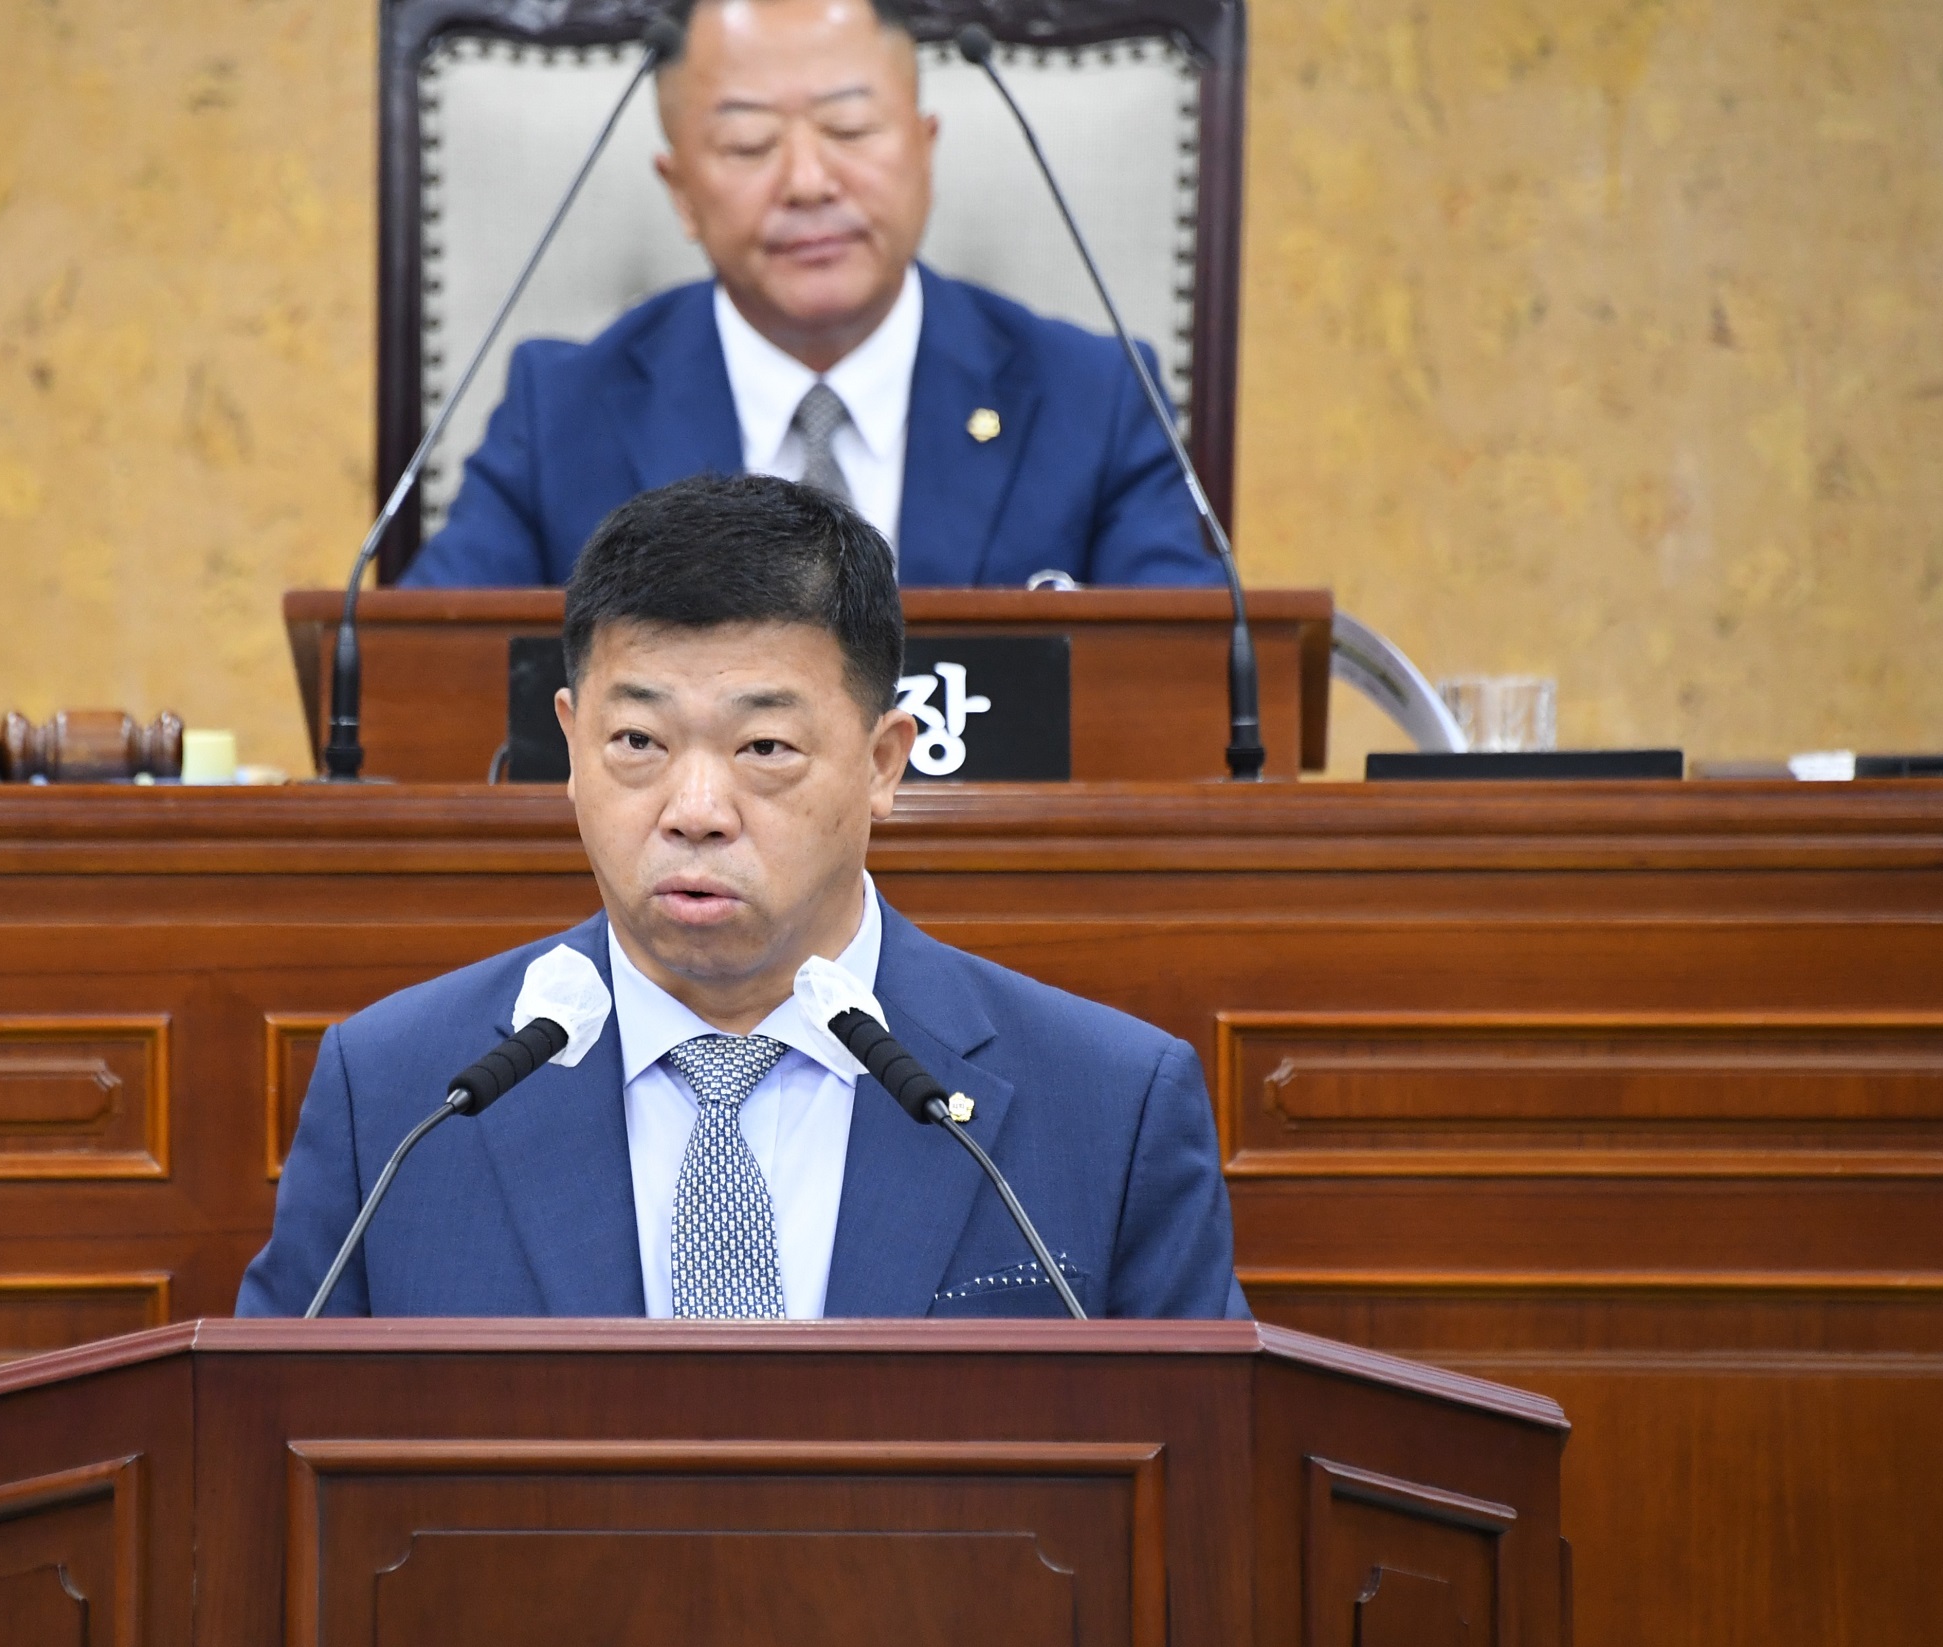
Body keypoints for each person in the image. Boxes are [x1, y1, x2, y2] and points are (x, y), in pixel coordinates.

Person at [239, 475, 1247, 1319]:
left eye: (764, 747)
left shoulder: (1111, 1105)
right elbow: (270, 1463)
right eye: (637, 742)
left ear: (886, 762)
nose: (696, 809)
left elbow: (1193, 1498)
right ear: (571, 744)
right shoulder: (400, 1095)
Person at [401, 0, 1224, 592]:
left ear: (925, 150)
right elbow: (420, 689)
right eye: (749, 142)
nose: (807, 181)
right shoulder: (564, 412)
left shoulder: (1097, 398)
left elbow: (1195, 695)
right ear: (681, 191)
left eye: (851, 129)